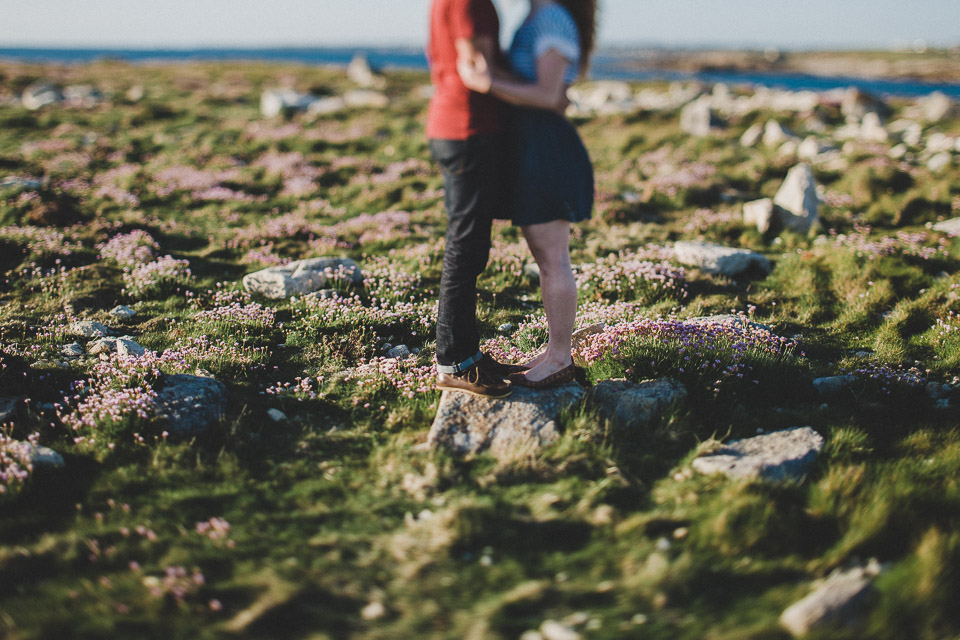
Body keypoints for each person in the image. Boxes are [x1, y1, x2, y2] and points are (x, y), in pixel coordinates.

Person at [457, 0, 596, 389]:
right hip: (533, 148)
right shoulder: (537, 17)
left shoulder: (551, 19)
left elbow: (549, 95)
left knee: (554, 259)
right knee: (546, 258)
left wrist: (484, 82)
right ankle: (554, 352)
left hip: (546, 150)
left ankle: (560, 358)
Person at [427, 0, 530, 398]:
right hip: (468, 128)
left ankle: (467, 355)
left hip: (460, 127)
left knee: (470, 246)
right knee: (466, 247)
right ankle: (453, 362)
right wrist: (541, 91)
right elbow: (477, 69)